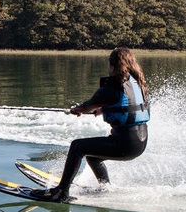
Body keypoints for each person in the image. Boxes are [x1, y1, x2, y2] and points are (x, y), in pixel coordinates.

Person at [31, 47, 150, 202]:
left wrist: (78, 110)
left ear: (113, 66)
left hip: (124, 145)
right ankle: (105, 188)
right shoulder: (137, 83)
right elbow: (128, 105)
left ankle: (61, 192)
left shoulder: (114, 86)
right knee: (93, 157)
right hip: (140, 143)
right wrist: (104, 109)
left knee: (77, 147)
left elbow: (87, 106)